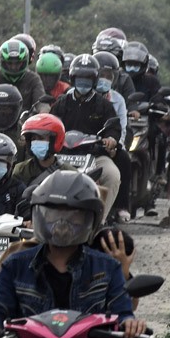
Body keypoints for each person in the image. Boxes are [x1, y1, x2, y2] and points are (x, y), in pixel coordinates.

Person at [0, 171, 148, 338]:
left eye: (73, 216)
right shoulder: (14, 264)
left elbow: (122, 309)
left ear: (91, 219)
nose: (62, 223)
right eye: (54, 214)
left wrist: (130, 323)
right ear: (40, 216)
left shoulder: (107, 267)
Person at [50, 54, 122, 222]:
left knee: (112, 175)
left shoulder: (104, 105)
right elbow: (51, 123)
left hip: (94, 155)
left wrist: (111, 138)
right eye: (80, 78)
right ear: (73, 78)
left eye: (88, 78)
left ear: (95, 80)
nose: (84, 82)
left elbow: (113, 128)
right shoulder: (62, 102)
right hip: (62, 154)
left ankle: (99, 220)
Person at [94, 50, 133, 223]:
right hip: (82, 146)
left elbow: (121, 127)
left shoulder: (118, 100)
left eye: (108, 75)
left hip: (108, 147)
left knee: (124, 159)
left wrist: (114, 144)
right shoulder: (78, 96)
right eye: (101, 74)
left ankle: (121, 206)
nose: (104, 78)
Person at [0, 39, 45, 115]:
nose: (13, 67)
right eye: (10, 63)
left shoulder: (33, 79)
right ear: (3, 62)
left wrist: (43, 110)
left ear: (24, 62)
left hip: (24, 122)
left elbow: (40, 100)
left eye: (17, 63)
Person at [11, 113, 74, 187]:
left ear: (54, 141)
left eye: (41, 138)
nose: (36, 142)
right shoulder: (21, 170)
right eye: (33, 139)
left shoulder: (69, 173)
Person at [93, 32, 135, 100]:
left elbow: (130, 105)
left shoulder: (123, 80)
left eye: (109, 77)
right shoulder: (87, 74)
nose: (106, 61)